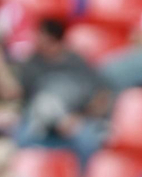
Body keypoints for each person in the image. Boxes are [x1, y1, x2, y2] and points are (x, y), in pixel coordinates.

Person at [15, 17, 112, 165]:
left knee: (88, 140)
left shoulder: (77, 62)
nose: (35, 39)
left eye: (39, 35)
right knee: (20, 138)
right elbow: (23, 100)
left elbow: (100, 96)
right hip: (41, 123)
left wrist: (79, 117)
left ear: (52, 39)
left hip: (75, 122)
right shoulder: (31, 64)